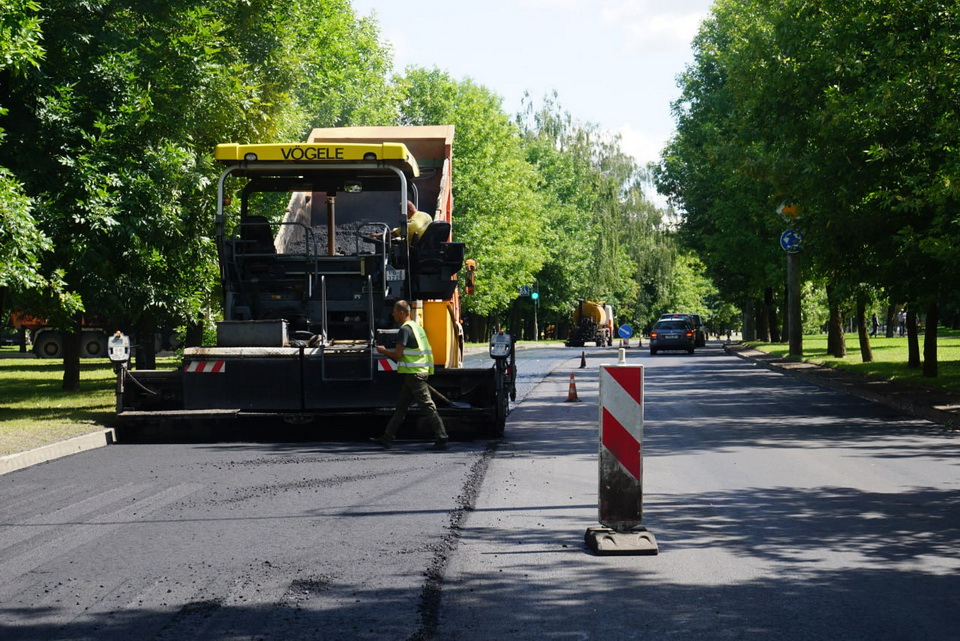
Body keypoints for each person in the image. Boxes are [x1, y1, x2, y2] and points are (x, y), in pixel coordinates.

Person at [372, 300, 449, 450]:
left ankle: (442, 437)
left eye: (395, 311)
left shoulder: (405, 330)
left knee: (428, 406)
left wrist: (383, 351)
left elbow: (398, 355)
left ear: (401, 312)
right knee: (401, 407)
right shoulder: (416, 327)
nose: (392, 314)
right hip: (416, 373)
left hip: (414, 374)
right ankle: (387, 438)